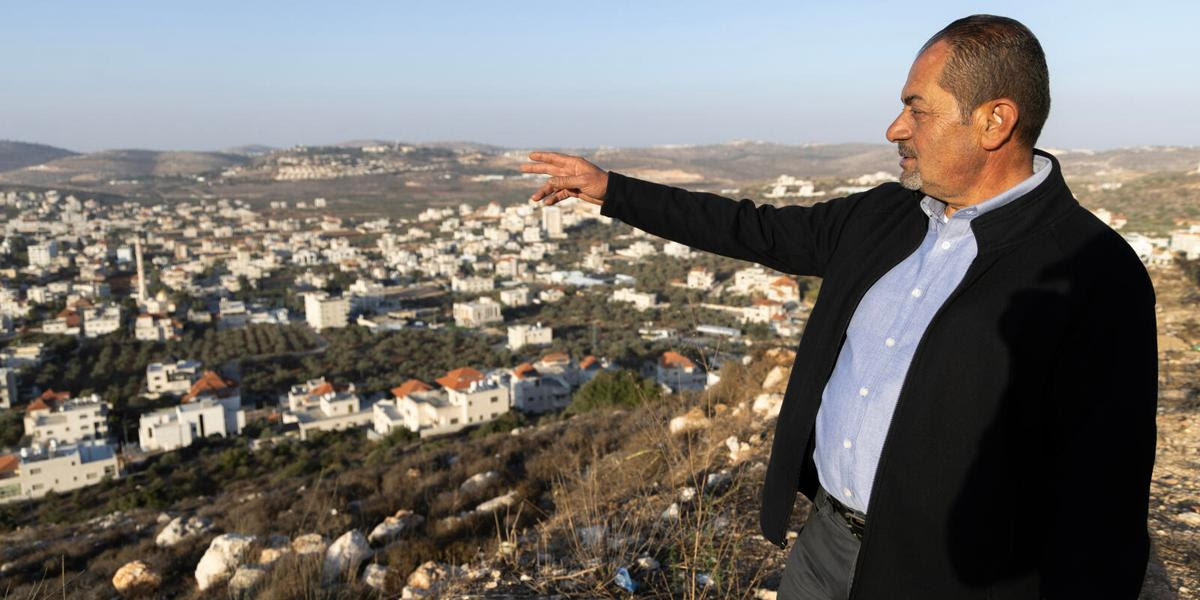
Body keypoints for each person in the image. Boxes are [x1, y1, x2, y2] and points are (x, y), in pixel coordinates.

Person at [520, 14, 1157, 600]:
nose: (894, 129)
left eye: (917, 108)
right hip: (824, 543)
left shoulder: (1091, 273)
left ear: (995, 121)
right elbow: (748, 227)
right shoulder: (883, 216)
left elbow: (1105, 494)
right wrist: (610, 190)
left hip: (948, 578)